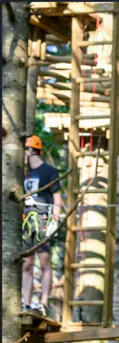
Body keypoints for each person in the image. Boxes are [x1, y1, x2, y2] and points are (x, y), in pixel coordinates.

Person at [22, 135, 62, 317]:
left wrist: (55, 219)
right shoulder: (23, 172)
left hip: (42, 219)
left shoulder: (49, 171)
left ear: (31, 150)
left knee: (44, 261)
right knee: (27, 263)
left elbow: (57, 197)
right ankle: (26, 303)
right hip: (26, 221)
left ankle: (44, 303)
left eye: (25, 149)